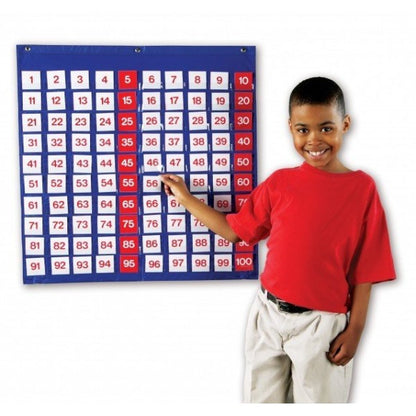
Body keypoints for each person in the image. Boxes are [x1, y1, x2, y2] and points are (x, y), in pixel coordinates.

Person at [160, 76, 396, 403]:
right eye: (303, 129)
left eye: (326, 128)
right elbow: (234, 231)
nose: (314, 139)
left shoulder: (362, 188)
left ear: (345, 124)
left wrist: (355, 329)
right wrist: (186, 198)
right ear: (290, 127)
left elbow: (366, 269)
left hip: (322, 326)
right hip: (267, 316)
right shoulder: (280, 183)